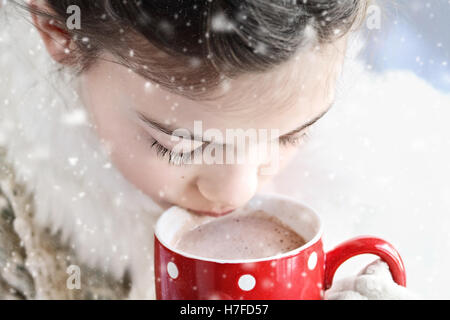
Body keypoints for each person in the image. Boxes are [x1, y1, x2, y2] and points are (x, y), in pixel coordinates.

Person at [0, 0, 415, 299]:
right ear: (60, 31)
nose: (239, 191)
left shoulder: (384, 167)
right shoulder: (17, 233)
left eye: (289, 136)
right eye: (181, 145)